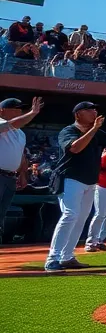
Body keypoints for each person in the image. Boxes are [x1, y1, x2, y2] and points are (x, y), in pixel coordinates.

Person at [46, 103, 106, 272]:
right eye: (89, 110)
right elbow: (75, 148)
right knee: (70, 215)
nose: (94, 112)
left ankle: (67, 257)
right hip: (70, 178)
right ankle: (52, 258)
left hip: (89, 181)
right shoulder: (68, 131)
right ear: (78, 115)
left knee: (80, 219)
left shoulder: (97, 132)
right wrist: (94, 128)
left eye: (95, 109)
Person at [0, 97, 42, 243]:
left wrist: (22, 174)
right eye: (15, 108)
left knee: (1, 216)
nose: (19, 111)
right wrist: (32, 113)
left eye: (21, 109)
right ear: (2, 110)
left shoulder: (20, 133)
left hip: (10, 177)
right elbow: (9, 125)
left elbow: (21, 155)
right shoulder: (1, 123)